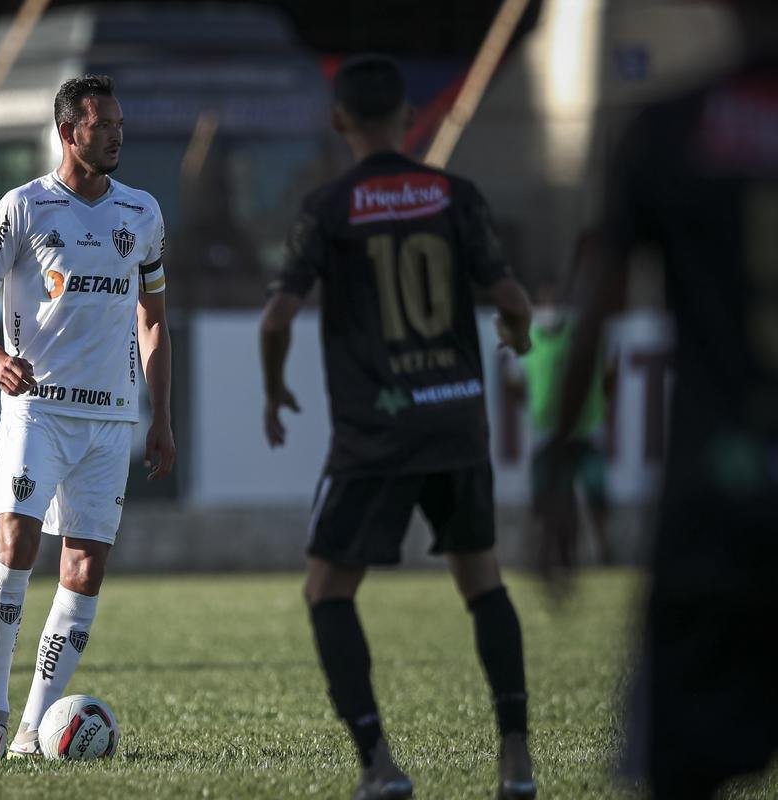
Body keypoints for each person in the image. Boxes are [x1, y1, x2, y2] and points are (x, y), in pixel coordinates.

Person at [259, 55, 538, 800]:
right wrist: (518, 332)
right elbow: (509, 294)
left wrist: (272, 389)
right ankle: (515, 759)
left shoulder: (328, 206)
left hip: (375, 437)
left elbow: (277, 315)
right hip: (454, 421)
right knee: (482, 583)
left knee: (327, 593)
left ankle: (379, 765)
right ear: (409, 117)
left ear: (337, 118)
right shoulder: (452, 194)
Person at [539, 3, 778, 796]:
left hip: (715, 499)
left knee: (680, 772)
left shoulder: (667, 128)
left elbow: (596, 310)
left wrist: (559, 462)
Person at [0, 74, 175, 761]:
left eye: (118, 123)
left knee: (84, 568)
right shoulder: (23, 208)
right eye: (101, 123)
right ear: (68, 131)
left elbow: (154, 320)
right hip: (37, 411)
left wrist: (159, 417)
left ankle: (33, 732)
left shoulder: (141, 213)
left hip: (110, 421)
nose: (115, 133)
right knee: (16, 542)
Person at [506, 252, 616, 566]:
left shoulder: (581, 336)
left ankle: (603, 549)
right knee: (549, 497)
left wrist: (599, 405)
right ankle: (552, 552)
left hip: (586, 430)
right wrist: (532, 408)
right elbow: (513, 383)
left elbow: (609, 374)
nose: (551, 305)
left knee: (596, 492)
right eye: (545, 299)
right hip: (545, 432)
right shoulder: (528, 343)